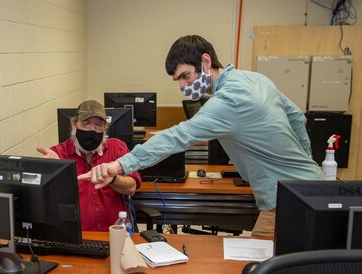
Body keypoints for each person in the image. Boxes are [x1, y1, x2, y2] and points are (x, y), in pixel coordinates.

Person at [78, 35, 324, 237]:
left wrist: (120, 164)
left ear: (206, 62)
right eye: (178, 80)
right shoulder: (255, 79)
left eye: (185, 76)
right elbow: (297, 118)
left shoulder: (228, 100)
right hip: (310, 188)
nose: (183, 86)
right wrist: (306, 164)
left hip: (287, 202)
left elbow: (178, 136)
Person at [37, 100, 141, 231]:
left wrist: (113, 179)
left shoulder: (117, 148)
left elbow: (132, 187)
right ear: (74, 124)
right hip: (74, 234)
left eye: (98, 125)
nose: (92, 129)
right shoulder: (58, 154)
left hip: (114, 232)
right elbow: (45, 200)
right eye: (86, 123)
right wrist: (55, 172)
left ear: (105, 127)